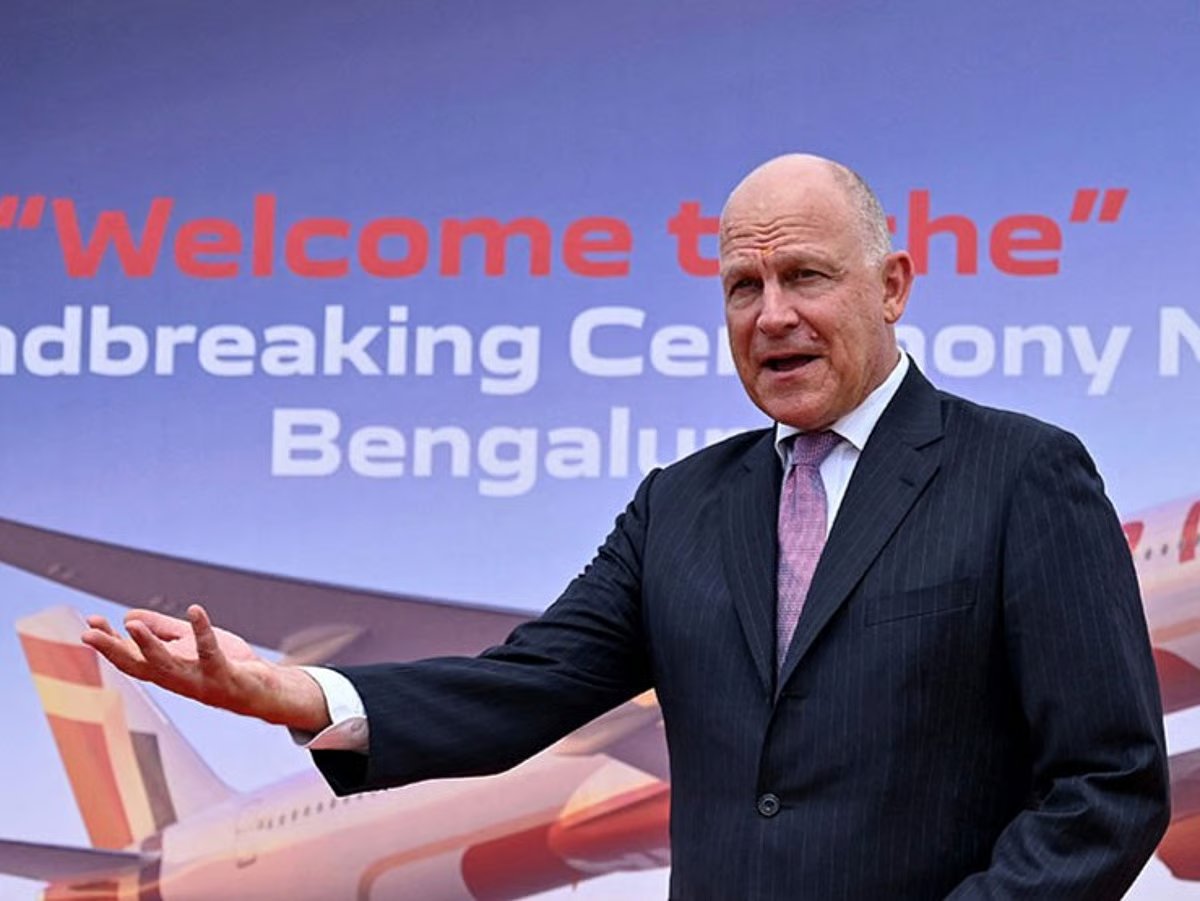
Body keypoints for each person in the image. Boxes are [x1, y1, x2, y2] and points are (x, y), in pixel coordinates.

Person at [83, 154, 1170, 899]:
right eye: (742, 286)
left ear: (891, 286)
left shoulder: (1022, 475)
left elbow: (1108, 785)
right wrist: (298, 694)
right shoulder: (682, 505)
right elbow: (528, 685)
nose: (772, 315)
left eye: (805, 276)